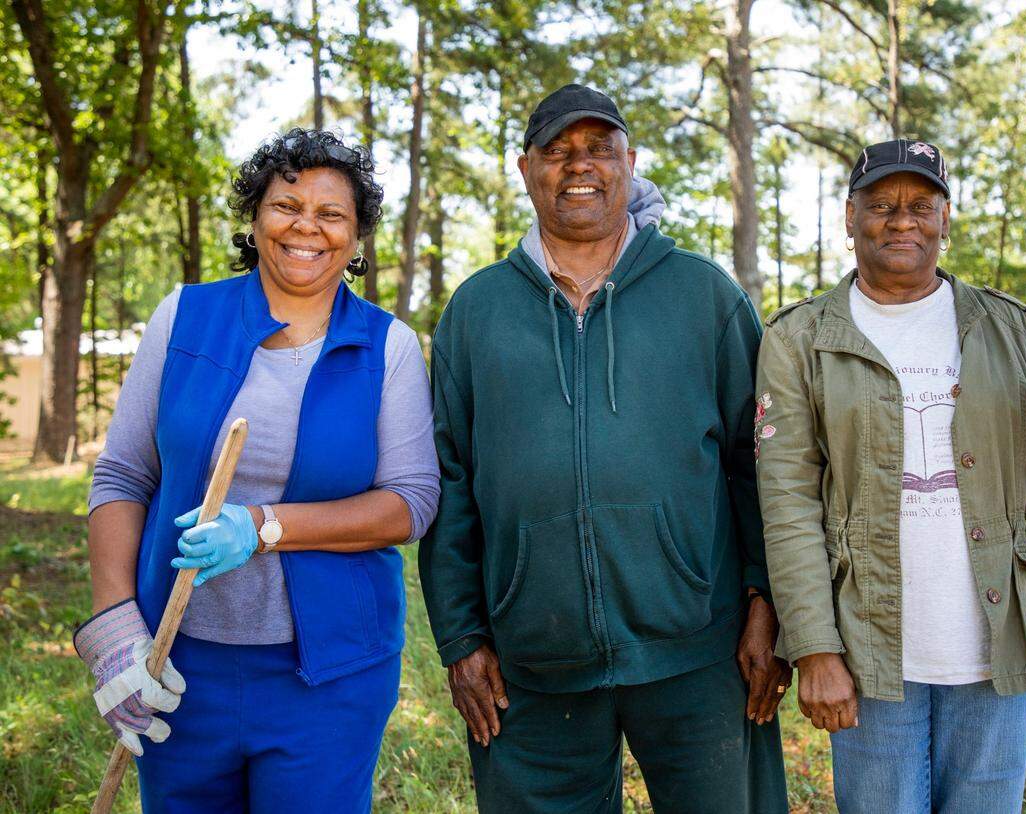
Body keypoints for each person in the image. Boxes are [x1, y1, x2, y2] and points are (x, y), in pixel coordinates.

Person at [419, 84, 790, 813]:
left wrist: (765, 601)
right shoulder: (475, 311)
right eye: (557, 152)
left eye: (597, 149)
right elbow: (449, 483)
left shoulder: (704, 295)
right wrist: (461, 637)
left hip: (699, 652)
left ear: (630, 162)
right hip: (529, 664)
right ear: (526, 169)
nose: (577, 166)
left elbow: (760, 465)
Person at [74, 128, 440, 813]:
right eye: (286, 205)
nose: (308, 227)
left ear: (357, 238)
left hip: (329, 677)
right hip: (178, 665)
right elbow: (123, 475)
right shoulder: (182, 317)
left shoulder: (388, 347)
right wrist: (116, 633)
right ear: (255, 218)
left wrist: (264, 526)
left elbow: (410, 502)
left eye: (332, 214)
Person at [755, 138, 1026, 813]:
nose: (902, 221)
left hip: (996, 636)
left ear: (946, 218)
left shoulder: (1006, 328)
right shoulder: (799, 338)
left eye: (921, 205)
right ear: (849, 216)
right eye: (882, 205)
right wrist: (813, 649)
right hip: (869, 649)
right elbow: (787, 504)